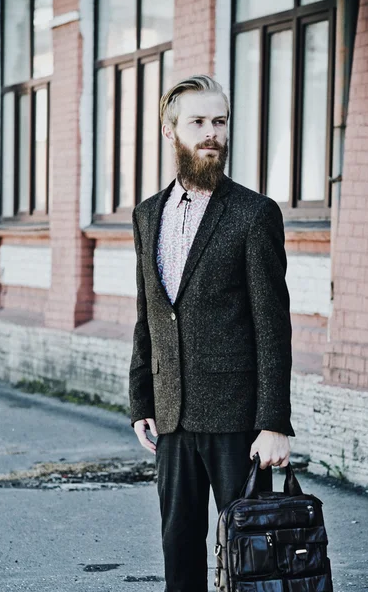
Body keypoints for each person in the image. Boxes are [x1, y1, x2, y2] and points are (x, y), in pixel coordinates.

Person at [129, 74, 295, 592]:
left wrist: (274, 422)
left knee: (252, 554)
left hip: (236, 420)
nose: (211, 133)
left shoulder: (253, 213)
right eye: (198, 122)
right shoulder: (147, 215)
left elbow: (273, 327)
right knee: (178, 546)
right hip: (173, 416)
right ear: (169, 130)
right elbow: (149, 314)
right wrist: (141, 400)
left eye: (219, 122)